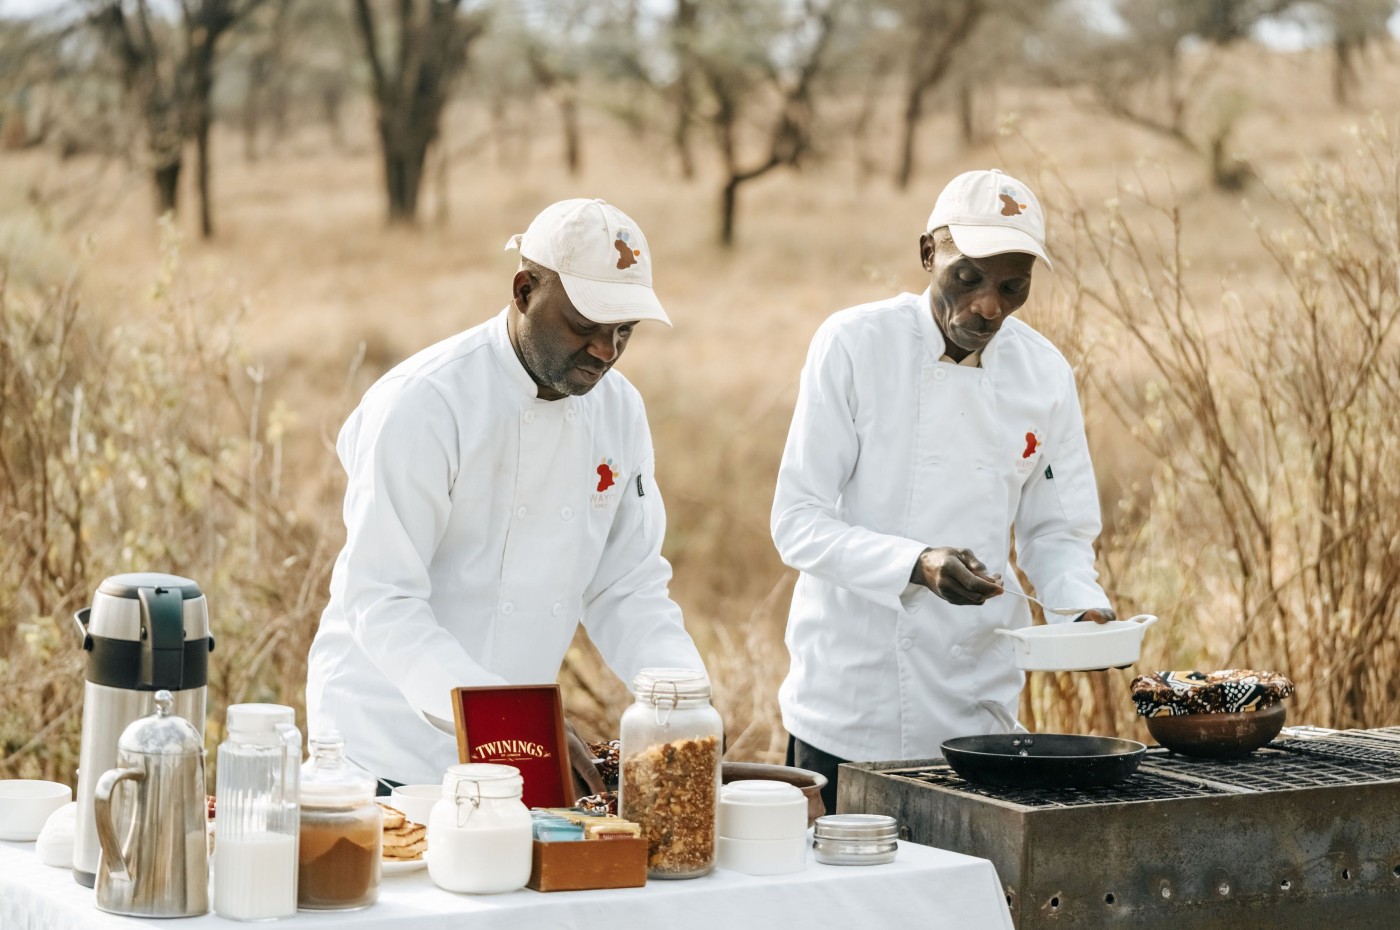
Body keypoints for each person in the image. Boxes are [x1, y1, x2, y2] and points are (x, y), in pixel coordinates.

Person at [307, 198, 707, 795]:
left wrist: (688, 706)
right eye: (585, 326)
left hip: (511, 758)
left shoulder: (620, 410)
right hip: (384, 748)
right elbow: (384, 599)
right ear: (524, 291)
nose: (606, 350)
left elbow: (626, 587)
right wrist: (517, 721)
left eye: (624, 330)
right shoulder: (426, 403)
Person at [770, 169, 1115, 814]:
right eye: (968, 277)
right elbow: (798, 522)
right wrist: (916, 563)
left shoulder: (1043, 373)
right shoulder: (855, 343)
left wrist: (1081, 609)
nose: (989, 306)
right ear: (929, 253)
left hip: (977, 709)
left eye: (1012, 287)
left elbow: (1055, 531)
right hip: (851, 705)